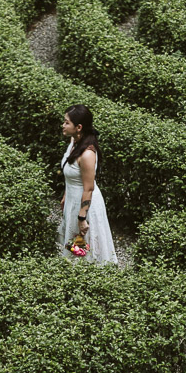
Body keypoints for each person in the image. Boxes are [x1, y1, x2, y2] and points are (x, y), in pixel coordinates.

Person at [58, 104, 118, 265]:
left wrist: (82, 217)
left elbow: (88, 188)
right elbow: (71, 175)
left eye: (66, 122)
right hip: (73, 200)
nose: (63, 125)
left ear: (79, 127)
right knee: (75, 247)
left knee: (85, 249)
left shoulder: (87, 154)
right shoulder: (74, 142)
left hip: (85, 206)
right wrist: (66, 195)